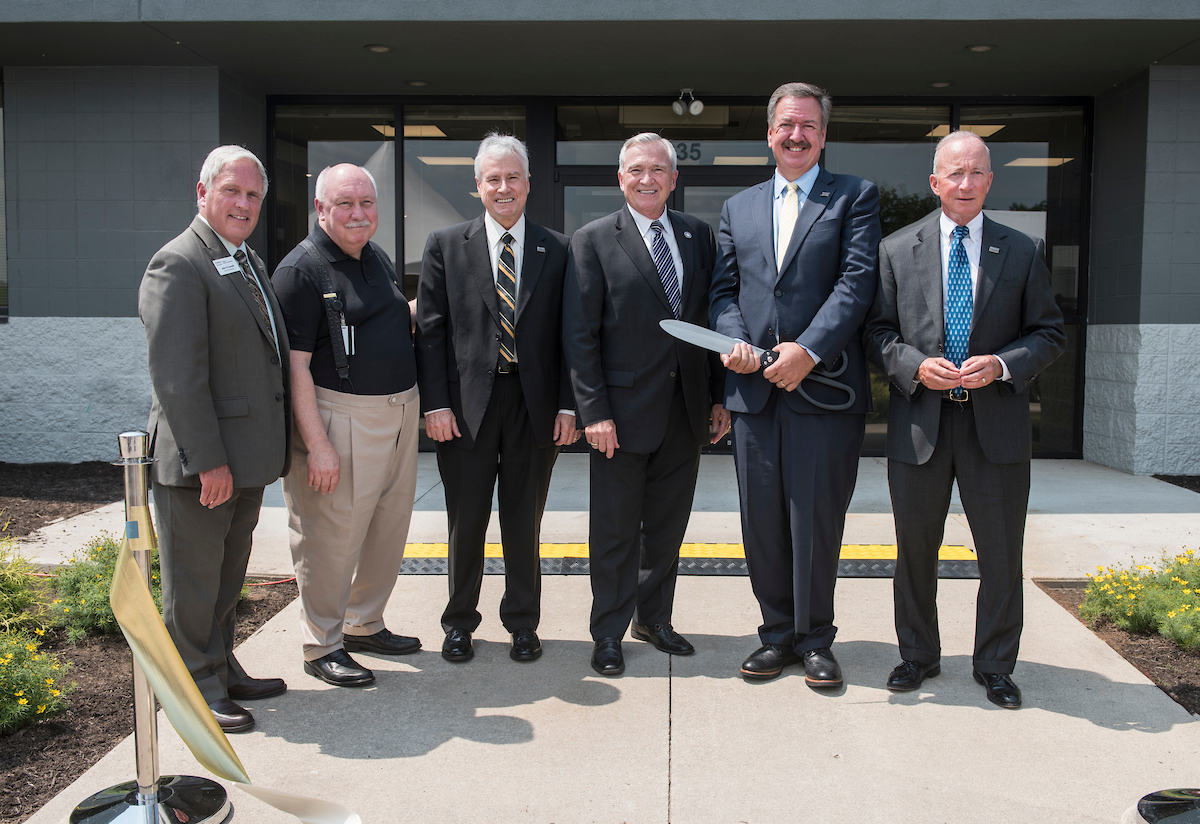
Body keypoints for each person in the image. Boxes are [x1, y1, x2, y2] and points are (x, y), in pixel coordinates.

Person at [863, 131, 1065, 709]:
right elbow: (876, 335)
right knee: (915, 551)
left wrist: (1003, 364)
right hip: (920, 426)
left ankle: (996, 664)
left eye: (977, 172)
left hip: (995, 426)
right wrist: (914, 366)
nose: (965, 183)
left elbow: (1049, 333)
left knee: (1001, 553)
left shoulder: (1021, 250)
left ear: (990, 181)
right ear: (935, 182)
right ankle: (917, 656)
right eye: (955, 172)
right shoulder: (897, 249)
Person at [710, 82, 879, 686]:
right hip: (754, 394)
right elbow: (723, 292)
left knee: (814, 520)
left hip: (824, 390)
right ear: (769, 133)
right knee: (761, 521)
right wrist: (739, 344)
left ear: (824, 134)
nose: (796, 135)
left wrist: (807, 350)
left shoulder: (855, 197)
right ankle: (776, 635)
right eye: (786, 125)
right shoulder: (739, 207)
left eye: (808, 125)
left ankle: (815, 639)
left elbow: (856, 284)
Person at [563, 133, 729, 677]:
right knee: (613, 531)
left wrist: (719, 398)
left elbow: (706, 324)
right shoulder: (591, 240)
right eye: (636, 169)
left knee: (666, 527)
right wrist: (593, 412)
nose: (647, 178)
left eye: (658, 169)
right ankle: (608, 631)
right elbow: (580, 336)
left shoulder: (697, 236)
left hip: (686, 411)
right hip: (619, 417)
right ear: (620, 177)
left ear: (674, 180)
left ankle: (653, 619)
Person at [139, 145, 291, 733]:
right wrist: (209, 462)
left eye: (253, 195)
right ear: (202, 192)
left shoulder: (244, 259)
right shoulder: (178, 263)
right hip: (203, 463)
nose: (244, 204)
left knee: (228, 575)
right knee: (195, 580)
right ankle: (193, 687)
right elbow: (178, 378)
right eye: (232, 191)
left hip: (245, 459)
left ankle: (220, 667)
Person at [416, 134, 577, 664]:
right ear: (477, 187)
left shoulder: (558, 250)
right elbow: (432, 332)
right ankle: (460, 620)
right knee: (466, 521)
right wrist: (434, 405)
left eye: (513, 178)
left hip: (534, 407)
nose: (503, 188)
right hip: (464, 410)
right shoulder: (445, 246)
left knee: (522, 520)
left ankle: (522, 622)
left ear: (529, 184)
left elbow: (570, 335)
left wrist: (568, 405)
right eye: (493, 179)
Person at [271, 163, 422, 688]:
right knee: (329, 537)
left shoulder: (374, 256)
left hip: (399, 412)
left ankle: (363, 622)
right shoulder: (301, 272)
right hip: (340, 417)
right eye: (345, 204)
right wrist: (317, 445)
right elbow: (293, 366)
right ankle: (323, 644)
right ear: (321, 209)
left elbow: (394, 316)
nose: (358, 214)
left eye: (366, 203)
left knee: (386, 528)